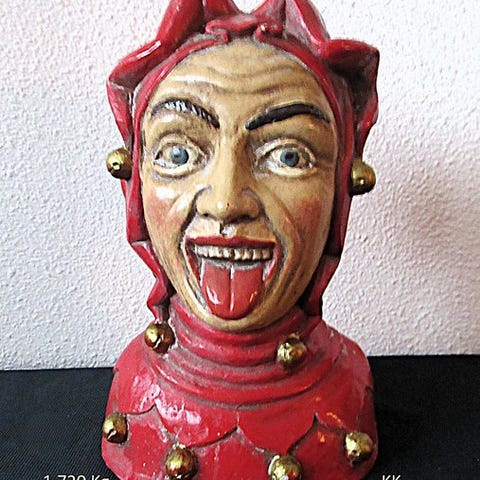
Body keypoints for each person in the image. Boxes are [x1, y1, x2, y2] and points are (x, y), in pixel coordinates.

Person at [102, 0, 379, 478]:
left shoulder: (346, 390)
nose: (227, 202)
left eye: (288, 156)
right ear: (136, 182)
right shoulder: (138, 388)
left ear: (341, 185)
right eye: (178, 153)